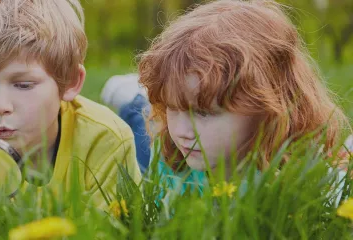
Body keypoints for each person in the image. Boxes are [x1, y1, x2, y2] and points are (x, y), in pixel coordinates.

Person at [102, 0, 352, 191]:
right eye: (173, 107)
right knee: (144, 148)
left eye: (203, 112)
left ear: (268, 106)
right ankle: (136, 102)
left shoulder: (307, 185)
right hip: (155, 147)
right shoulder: (169, 169)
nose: (183, 131)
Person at [0, 0, 142, 210]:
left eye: (23, 85)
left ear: (70, 82)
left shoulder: (106, 139)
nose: (0, 106)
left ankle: (137, 100)